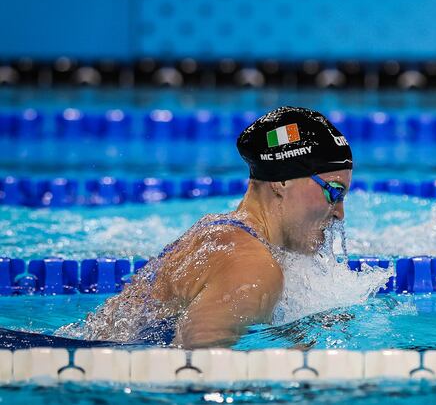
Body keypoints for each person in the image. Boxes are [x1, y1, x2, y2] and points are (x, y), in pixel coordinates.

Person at [76, 106, 353, 348]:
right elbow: (191, 375)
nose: (339, 213)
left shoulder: (224, 232)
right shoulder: (251, 268)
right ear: (282, 182)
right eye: (334, 192)